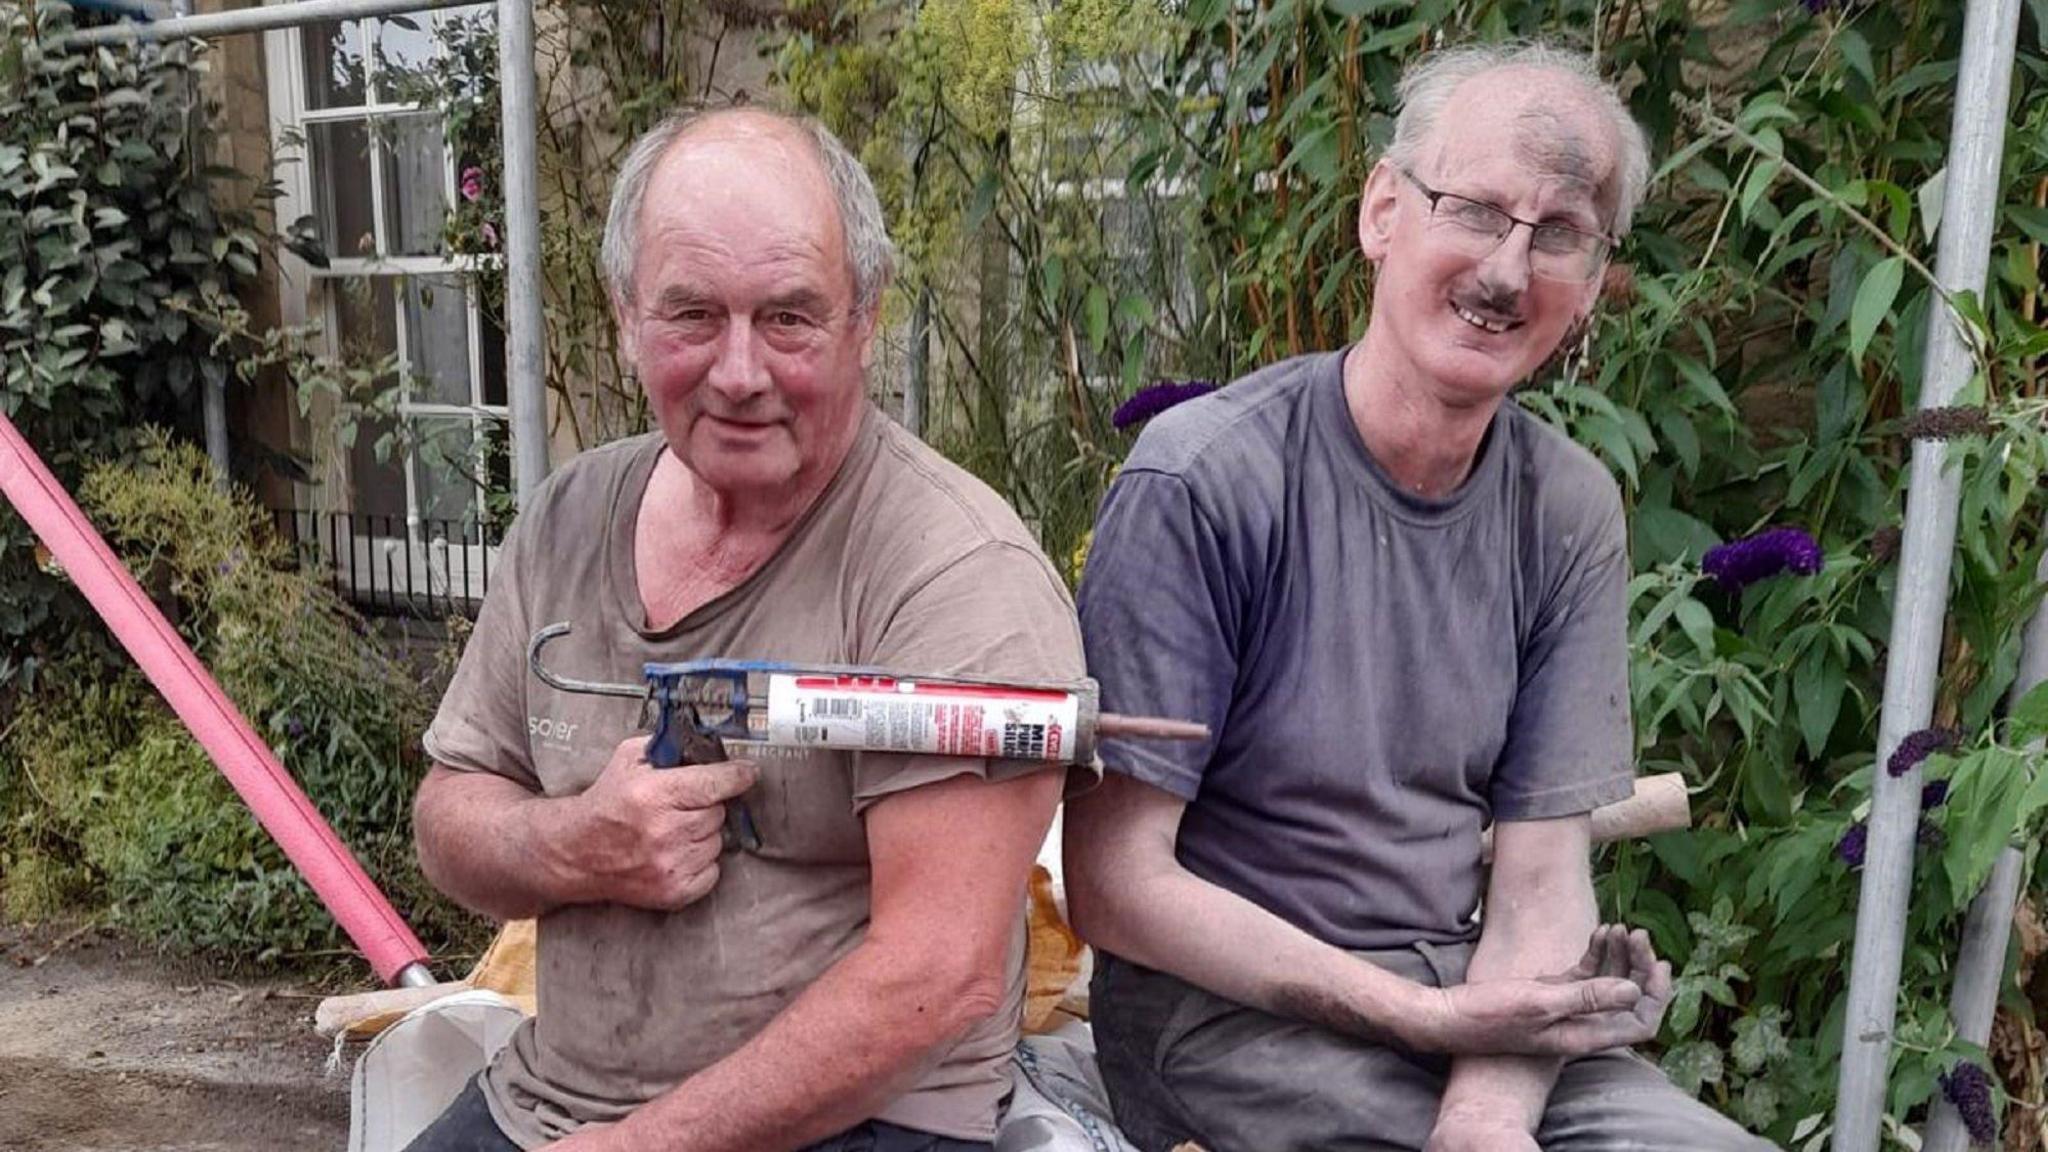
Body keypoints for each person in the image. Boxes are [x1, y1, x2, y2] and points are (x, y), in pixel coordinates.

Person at [1065, 43, 1775, 1152]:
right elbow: (1112, 885)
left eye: (1556, 235)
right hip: (1226, 1026)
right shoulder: (1204, 478)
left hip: (1465, 1014)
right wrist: (1425, 1016)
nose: (1504, 270)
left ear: (1591, 282)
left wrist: (1485, 1115)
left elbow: (1540, 884)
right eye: (1473, 210)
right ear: (1380, 213)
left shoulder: (1565, 509)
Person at [406, 106, 1086, 1152]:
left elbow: (935, 980)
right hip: (549, 1104)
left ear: (863, 318)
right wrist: (575, 846)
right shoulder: (568, 516)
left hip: (859, 1125)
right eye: (690, 315)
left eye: (788, 318)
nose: (737, 372)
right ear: (627, 314)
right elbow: (449, 815)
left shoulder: (954, 573)